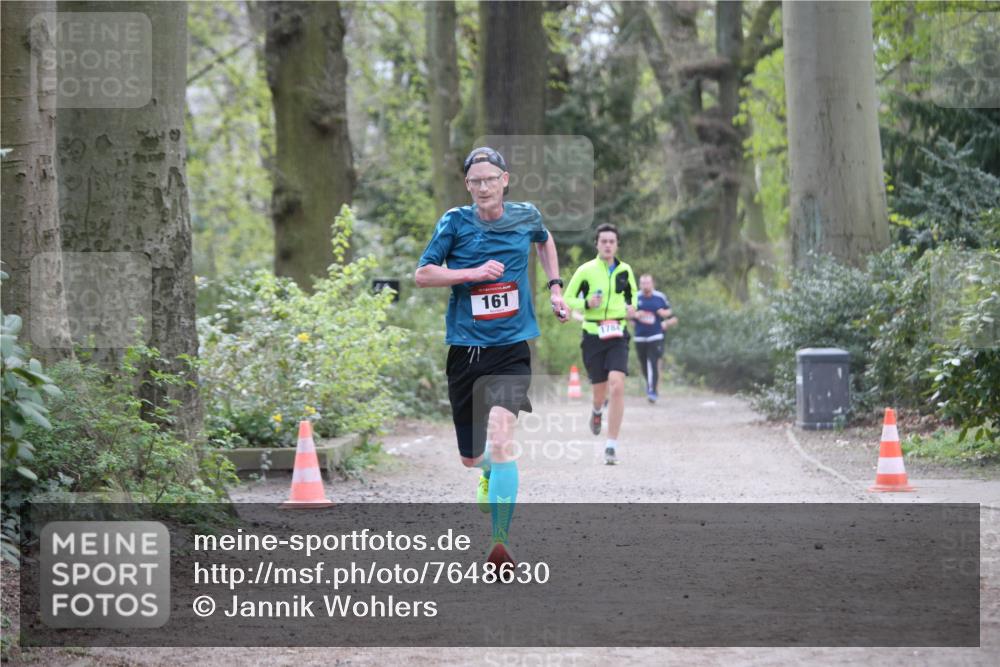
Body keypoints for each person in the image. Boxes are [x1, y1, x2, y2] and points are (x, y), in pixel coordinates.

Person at [414, 147, 568, 567]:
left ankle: (500, 542)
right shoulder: (454, 222)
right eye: (475, 181)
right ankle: (486, 470)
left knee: (502, 439)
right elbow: (423, 274)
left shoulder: (526, 216)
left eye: (490, 179)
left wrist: (555, 288)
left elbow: (544, 240)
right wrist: (473, 273)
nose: (483, 187)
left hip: (511, 351)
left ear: (505, 180)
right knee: (471, 457)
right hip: (466, 353)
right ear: (468, 185)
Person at [564, 223, 637, 465]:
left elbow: (632, 297)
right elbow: (568, 299)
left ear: (617, 245)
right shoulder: (585, 270)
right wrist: (587, 304)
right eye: (603, 241)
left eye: (611, 241)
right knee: (600, 393)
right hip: (593, 335)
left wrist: (632, 308)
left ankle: (611, 446)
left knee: (617, 385)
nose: (607, 245)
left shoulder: (625, 270)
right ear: (596, 244)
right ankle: (597, 411)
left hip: (618, 333)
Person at [629, 274, 677, 403]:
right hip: (640, 336)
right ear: (639, 285)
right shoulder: (635, 297)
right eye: (643, 283)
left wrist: (664, 315)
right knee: (644, 364)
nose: (645, 285)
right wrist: (635, 315)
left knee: (653, 362)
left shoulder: (660, 297)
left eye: (647, 283)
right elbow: (627, 315)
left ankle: (652, 391)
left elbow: (671, 313)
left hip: (655, 335)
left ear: (652, 284)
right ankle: (650, 385)